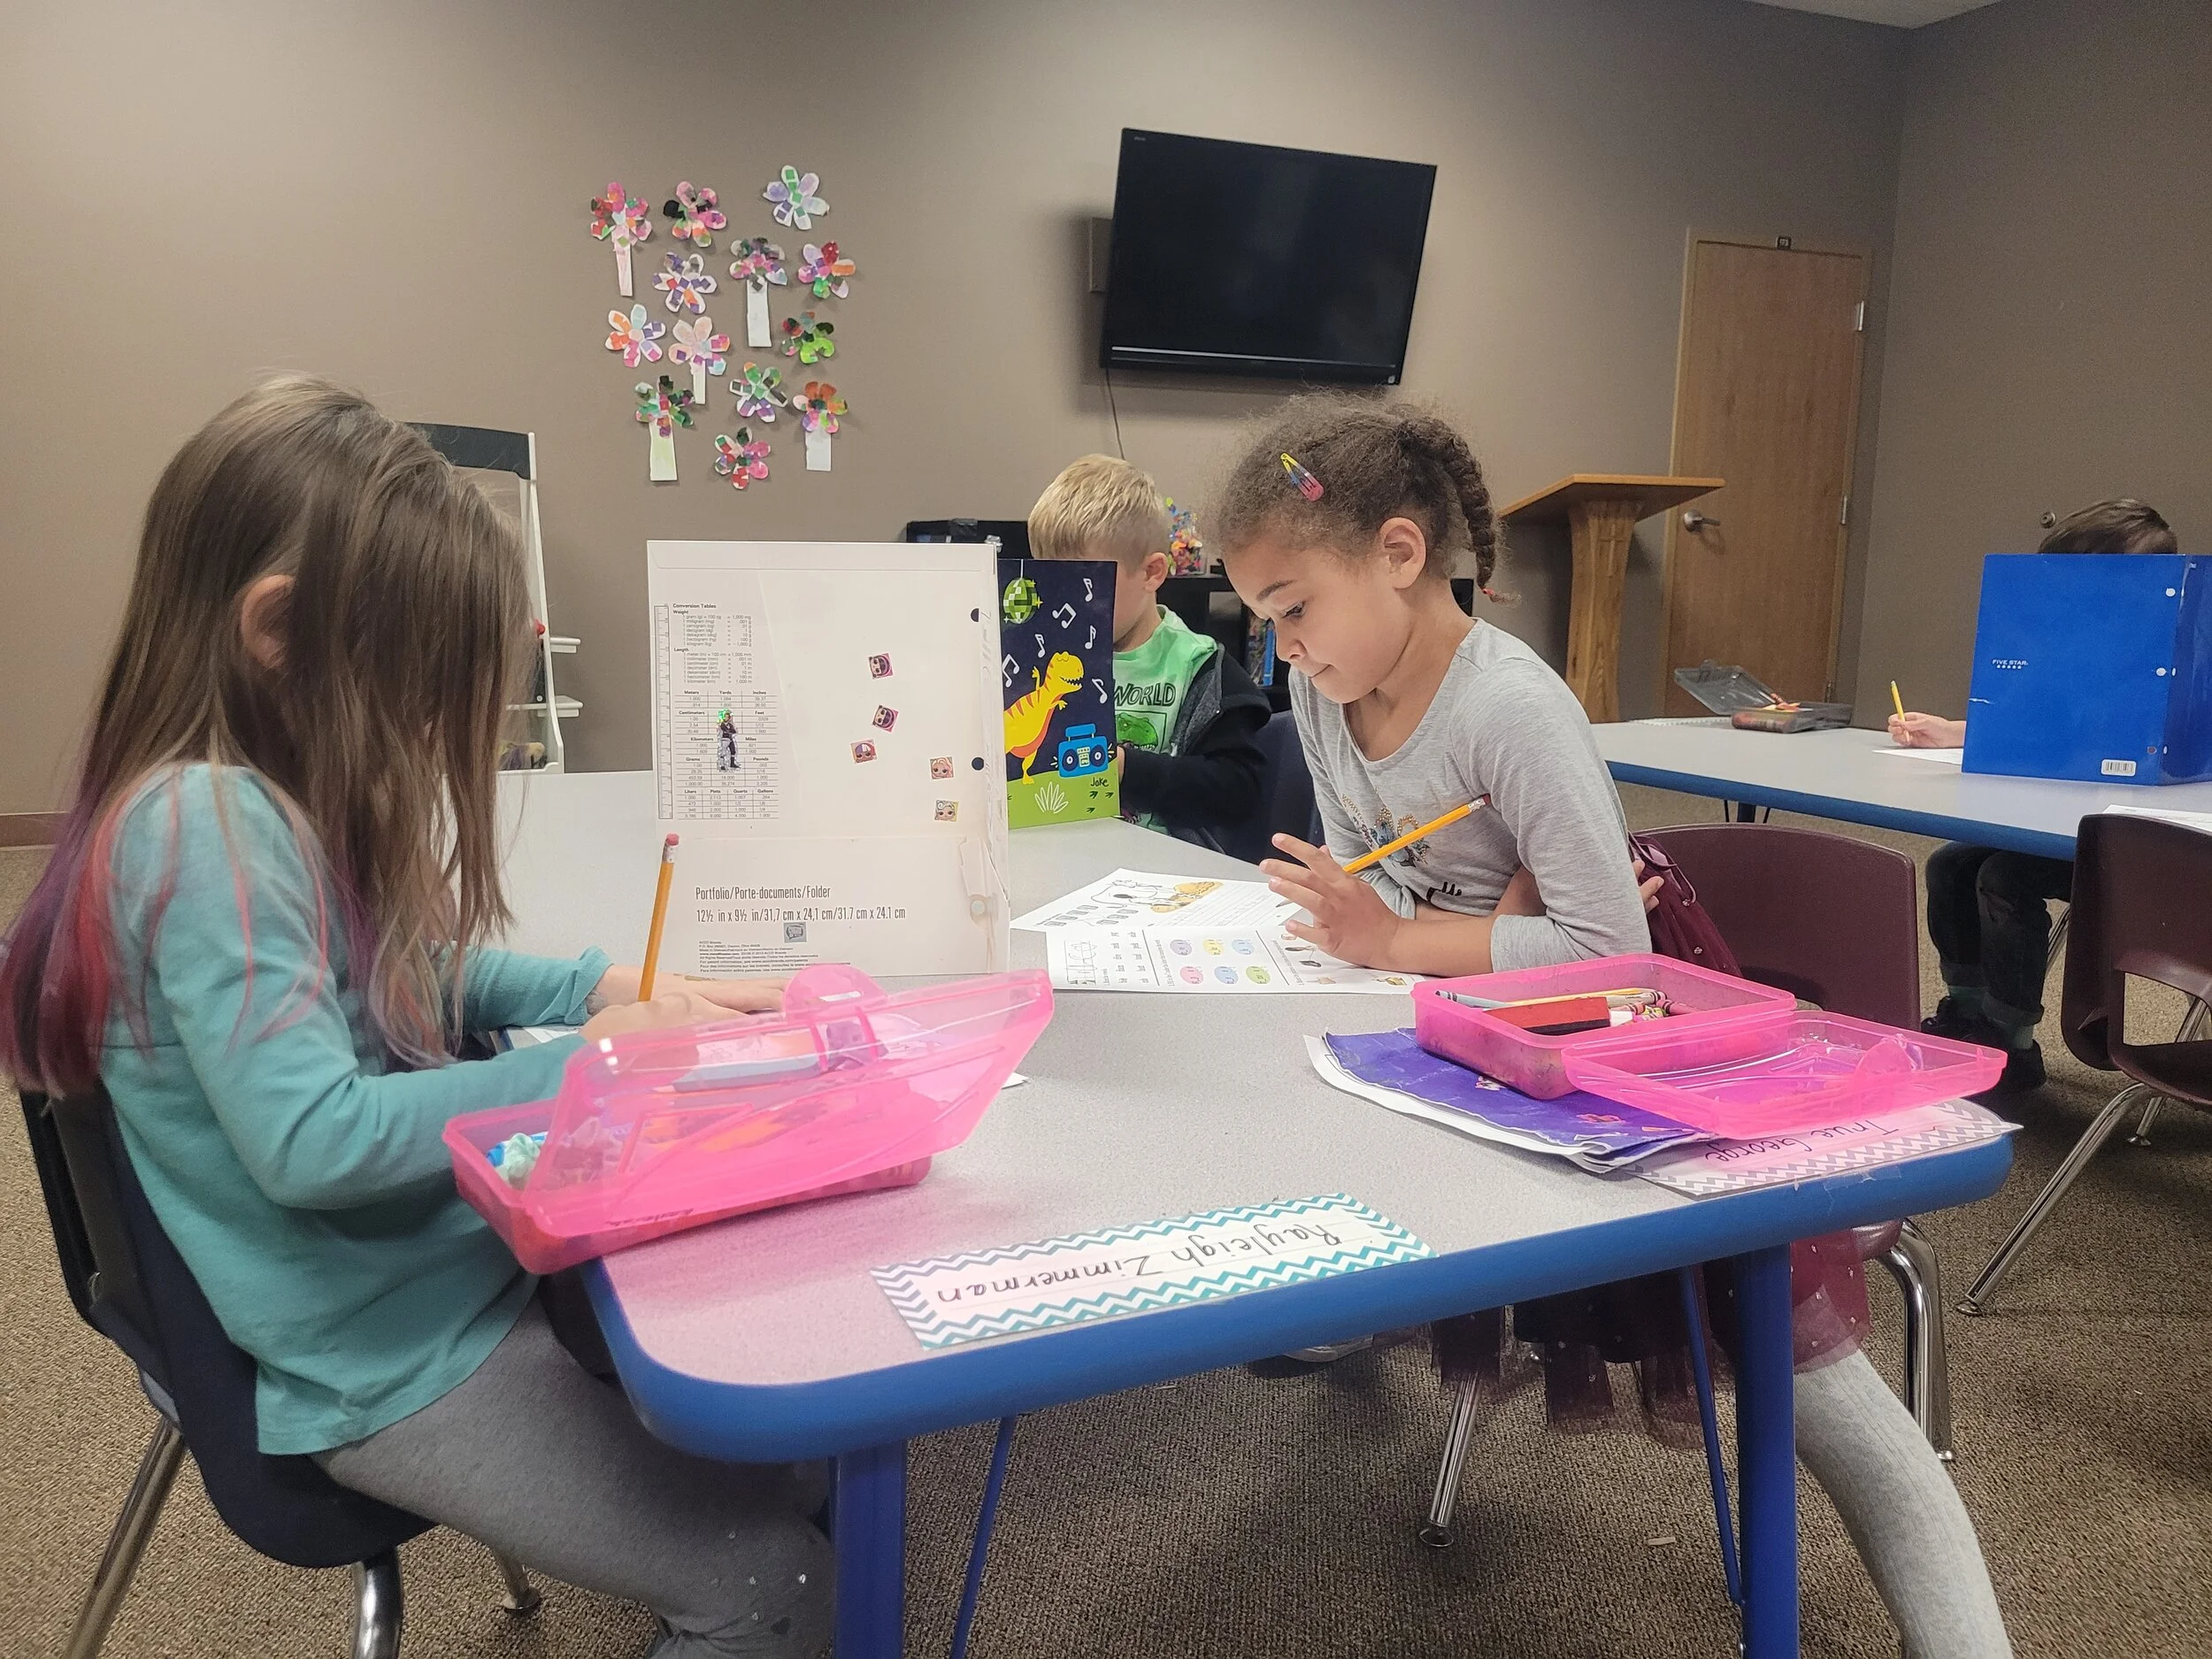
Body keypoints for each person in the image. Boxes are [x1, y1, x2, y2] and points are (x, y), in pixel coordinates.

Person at [0, 378, 831, 1659]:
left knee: (774, 1427)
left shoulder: (246, 799)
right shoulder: (206, 826)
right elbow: (312, 1137)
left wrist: (591, 992)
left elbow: (396, 966)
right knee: (774, 1581)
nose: (427, 731)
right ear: (279, 630)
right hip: (390, 1354)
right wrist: (590, 1070)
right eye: (417, 689)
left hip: (432, 1280)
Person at [1215, 394, 2011, 1659]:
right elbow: (1390, 877)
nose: (1285, 649)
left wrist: (1407, 932)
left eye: (1294, 607)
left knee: (1790, 1353)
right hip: (1467, 1021)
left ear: (1402, 554)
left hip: (1624, 1035)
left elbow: (1608, 952)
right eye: (1264, 618)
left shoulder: (1513, 710)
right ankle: (1343, 1309)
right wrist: (1430, 920)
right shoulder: (1324, 692)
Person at [1893, 498, 2178, 1094]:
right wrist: (1949, 732)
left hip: (2145, 851)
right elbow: (2046, 729)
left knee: (2003, 877)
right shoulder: (2080, 647)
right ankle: (1967, 1012)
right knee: (1951, 863)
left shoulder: (2170, 660)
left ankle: (2009, 1041)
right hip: (2073, 830)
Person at [1028, 455, 1268, 848]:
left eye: (1087, 587)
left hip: (1164, 874)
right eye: (1052, 584)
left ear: (1152, 573)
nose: (1065, 606)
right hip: (1061, 849)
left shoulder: (1199, 667)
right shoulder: (1048, 659)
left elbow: (1239, 792)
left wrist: (1127, 769)